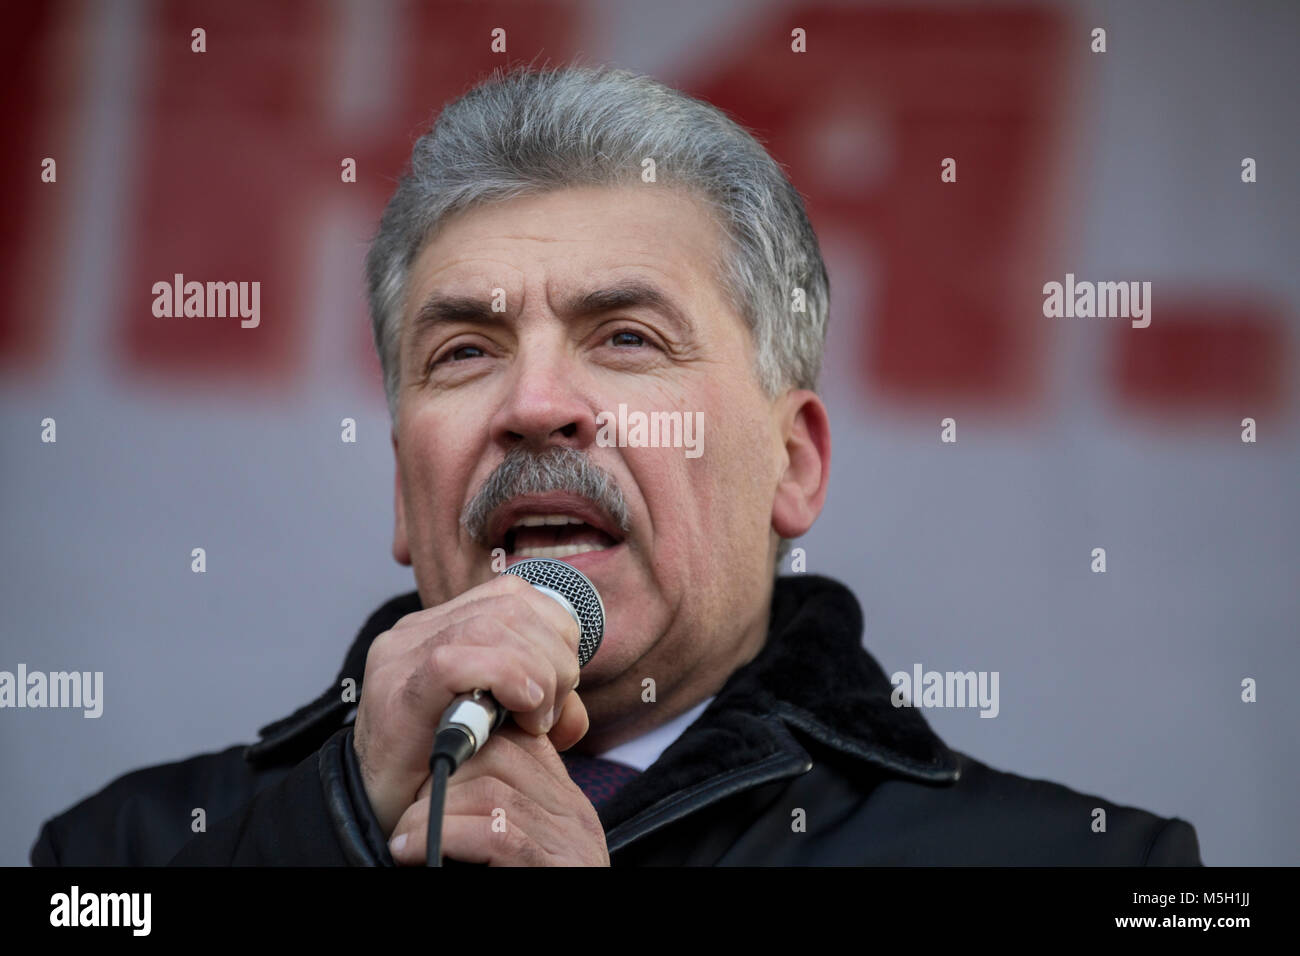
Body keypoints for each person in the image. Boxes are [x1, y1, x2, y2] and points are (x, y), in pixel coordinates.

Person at [32, 65, 1200, 866]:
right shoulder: (118, 855)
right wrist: (327, 838)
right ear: (403, 486)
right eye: (465, 349)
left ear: (792, 464)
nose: (534, 404)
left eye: (625, 337)